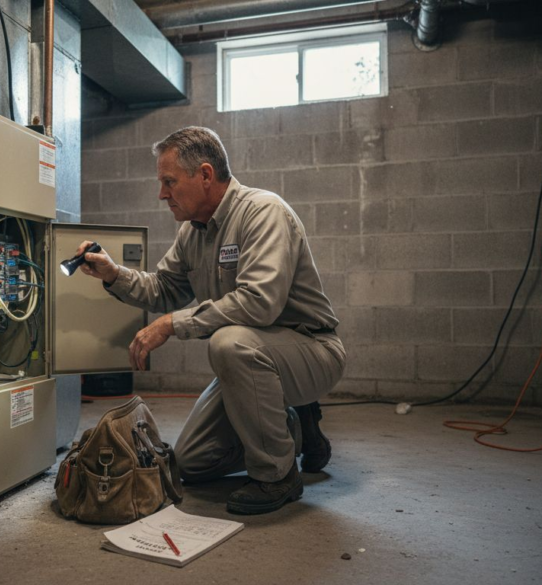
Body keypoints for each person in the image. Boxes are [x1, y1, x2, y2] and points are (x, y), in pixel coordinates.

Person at [74, 126, 346, 515]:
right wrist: (113, 274)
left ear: (204, 174)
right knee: (193, 462)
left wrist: (170, 325)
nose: (162, 194)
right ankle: (297, 428)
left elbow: (259, 304)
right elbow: (164, 288)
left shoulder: (263, 212)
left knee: (229, 342)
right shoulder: (192, 232)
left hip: (312, 350)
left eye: (169, 182)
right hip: (254, 358)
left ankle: (278, 476)